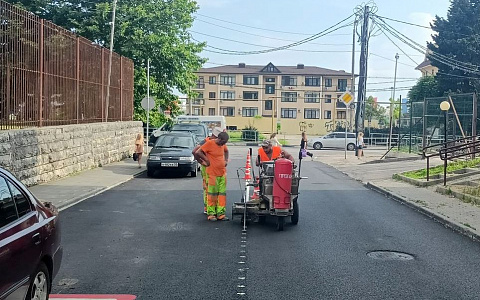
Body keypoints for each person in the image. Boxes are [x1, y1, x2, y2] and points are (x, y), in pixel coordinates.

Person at [196, 132, 230, 221]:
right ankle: (211, 214)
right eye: (223, 142)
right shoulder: (210, 143)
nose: (223, 144)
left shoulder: (223, 145)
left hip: (222, 173)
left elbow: (226, 151)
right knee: (212, 194)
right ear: (219, 139)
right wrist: (206, 161)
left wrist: (226, 160)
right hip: (212, 174)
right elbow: (198, 152)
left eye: (225, 143)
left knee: (222, 194)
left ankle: (220, 213)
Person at [193, 127, 222, 214]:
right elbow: (195, 151)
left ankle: (212, 207)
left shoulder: (214, 143)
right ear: (213, 135)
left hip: (213, 168)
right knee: (208, 187)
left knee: (214, 188)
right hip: (207, 168)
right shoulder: (206, 141)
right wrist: (202, 161)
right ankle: (208, 207)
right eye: (217, 137)